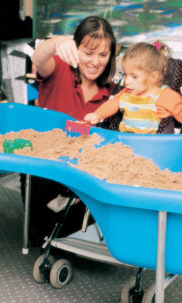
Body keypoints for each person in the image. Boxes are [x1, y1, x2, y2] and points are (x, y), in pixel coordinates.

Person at [22, 16, 118, 247]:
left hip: (85, 172)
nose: (95, 62)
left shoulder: (113, 92)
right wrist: (57, 43)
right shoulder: (59, 69)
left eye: (102, 55)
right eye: (88, 53)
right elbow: (38, 58)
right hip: (45, 168)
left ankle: (79, 214)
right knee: (40, 233)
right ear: (76, 49)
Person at [84, 41, 182, 133]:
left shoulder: (166, 96)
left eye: (134, 77)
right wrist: (97, 115)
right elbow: (112, 104)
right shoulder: (126, 93)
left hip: (153, 146)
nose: (127, 81)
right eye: (125, 74)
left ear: (153, 77)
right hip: (125, 142)